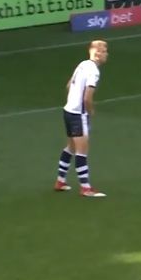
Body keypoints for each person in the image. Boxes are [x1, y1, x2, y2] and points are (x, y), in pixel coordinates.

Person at [54, 40, 109, 197]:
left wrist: (72, 101)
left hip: (68, 111)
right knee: (82, 151)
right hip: (79, 115)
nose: (106, 54)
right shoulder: (94, 72)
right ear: (97, 53)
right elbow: (87, 98)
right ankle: (85, 188)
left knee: (70, 147)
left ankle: (60, 181)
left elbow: (68, 85)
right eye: (104, 51)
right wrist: (90, 111)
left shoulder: (83, 64)